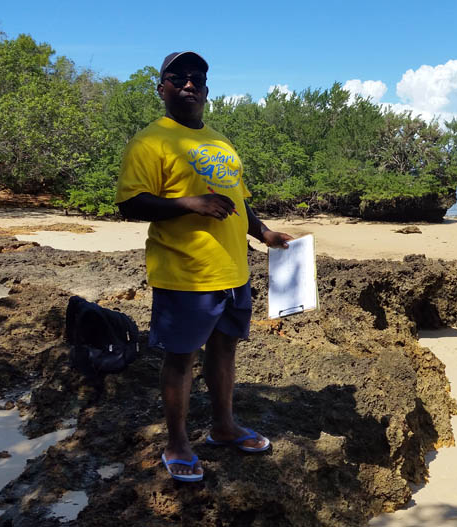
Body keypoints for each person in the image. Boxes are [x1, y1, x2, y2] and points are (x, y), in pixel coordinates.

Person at [115, 51, 293, 482]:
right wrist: (188, 203)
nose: (189, 84)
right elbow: (130, 204)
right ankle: (177, 443)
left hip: (233, 272)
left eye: (196, 78)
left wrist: (264, 233)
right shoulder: (150, 142)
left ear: (207, 91)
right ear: (162, 88)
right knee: (180, 359)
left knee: (225, 350)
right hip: (185, 274)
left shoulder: (221, 142)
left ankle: (224, 427)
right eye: (178, 78)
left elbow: (239, 201)